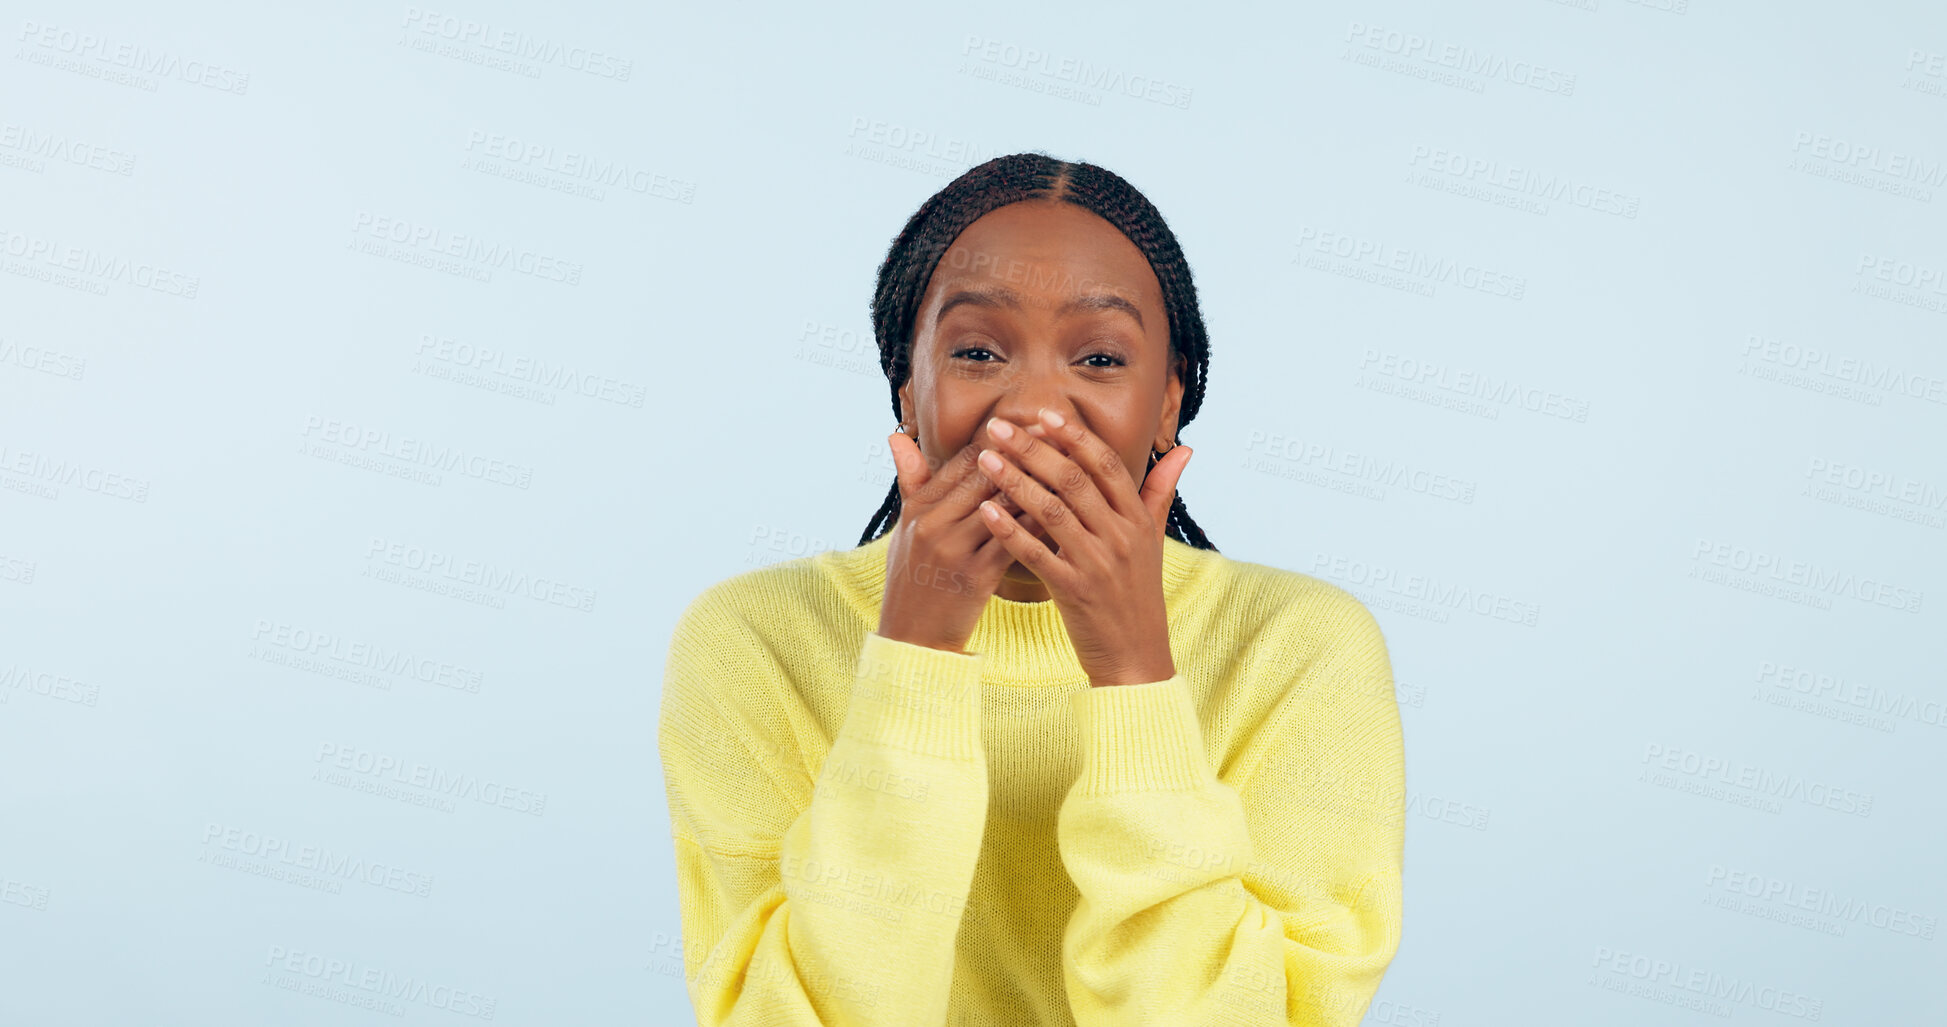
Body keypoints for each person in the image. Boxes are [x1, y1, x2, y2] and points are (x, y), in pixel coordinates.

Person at [659, 152, 1405, 1025]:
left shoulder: (1300, 647)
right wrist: (913, 658)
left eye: (1097, 357)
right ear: (909, 390)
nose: (1037, 412)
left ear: (1167, 403)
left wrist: (1133, 675)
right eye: (976, 350)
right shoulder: (752, 639)